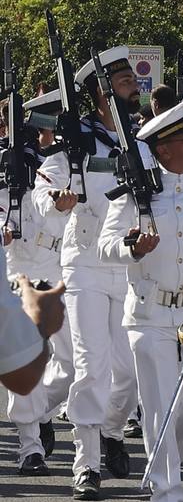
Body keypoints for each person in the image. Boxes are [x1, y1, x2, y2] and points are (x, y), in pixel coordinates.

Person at [97, 101, 183, 502]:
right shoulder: (137, 191)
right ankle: (168, 494)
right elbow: (105, 244)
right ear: (164, 150)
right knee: (159, 405)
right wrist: (131, 246)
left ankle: (168, 462)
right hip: (149, 311)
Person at [34, 46, 148, 498]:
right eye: (120, 81)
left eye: (131, 79)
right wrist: (57, 200)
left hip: (129, 263)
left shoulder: (141, 140)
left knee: (131, 371)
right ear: (100, 94)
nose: (132, 85)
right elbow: (48, 183)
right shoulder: (77, 140)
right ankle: (86, 464)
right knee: (91, 364)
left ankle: (112, 431)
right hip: (84, 263)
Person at [5, 100, 74, 473]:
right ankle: (29, 445)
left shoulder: (65, 165)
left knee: (74, 364)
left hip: (59, 268)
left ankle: (42, 412)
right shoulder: (6, 168)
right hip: (19, 272)